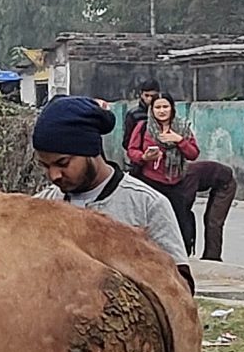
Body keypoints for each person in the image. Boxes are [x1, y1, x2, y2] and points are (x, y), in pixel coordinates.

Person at [30, 96, 189, 263]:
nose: (54, 175)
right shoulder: (40, 207)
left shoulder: (147, 205)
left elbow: (178, 282)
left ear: (90, 151)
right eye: (45, 166)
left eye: (63, 163)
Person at [124, 86, 196, 247]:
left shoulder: (182, 128)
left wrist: (179, 140)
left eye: (165, 106)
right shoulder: (143, 127)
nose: (162, 111)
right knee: (151, 225)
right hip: (150, 182)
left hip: (176, 183)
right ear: (152, 109)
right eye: (157, 107)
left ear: (172, 108)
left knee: (180, 224)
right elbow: (131, 151)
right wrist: (144, 157)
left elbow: (193, 154)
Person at [179, 157, 239, 262]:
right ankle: (209, 255)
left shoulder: (189, 175)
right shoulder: (183, 173)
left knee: (213, 221)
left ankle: (213, 257)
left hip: (226, 184)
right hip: (216, 182)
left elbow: (187, 201)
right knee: (208, 218)